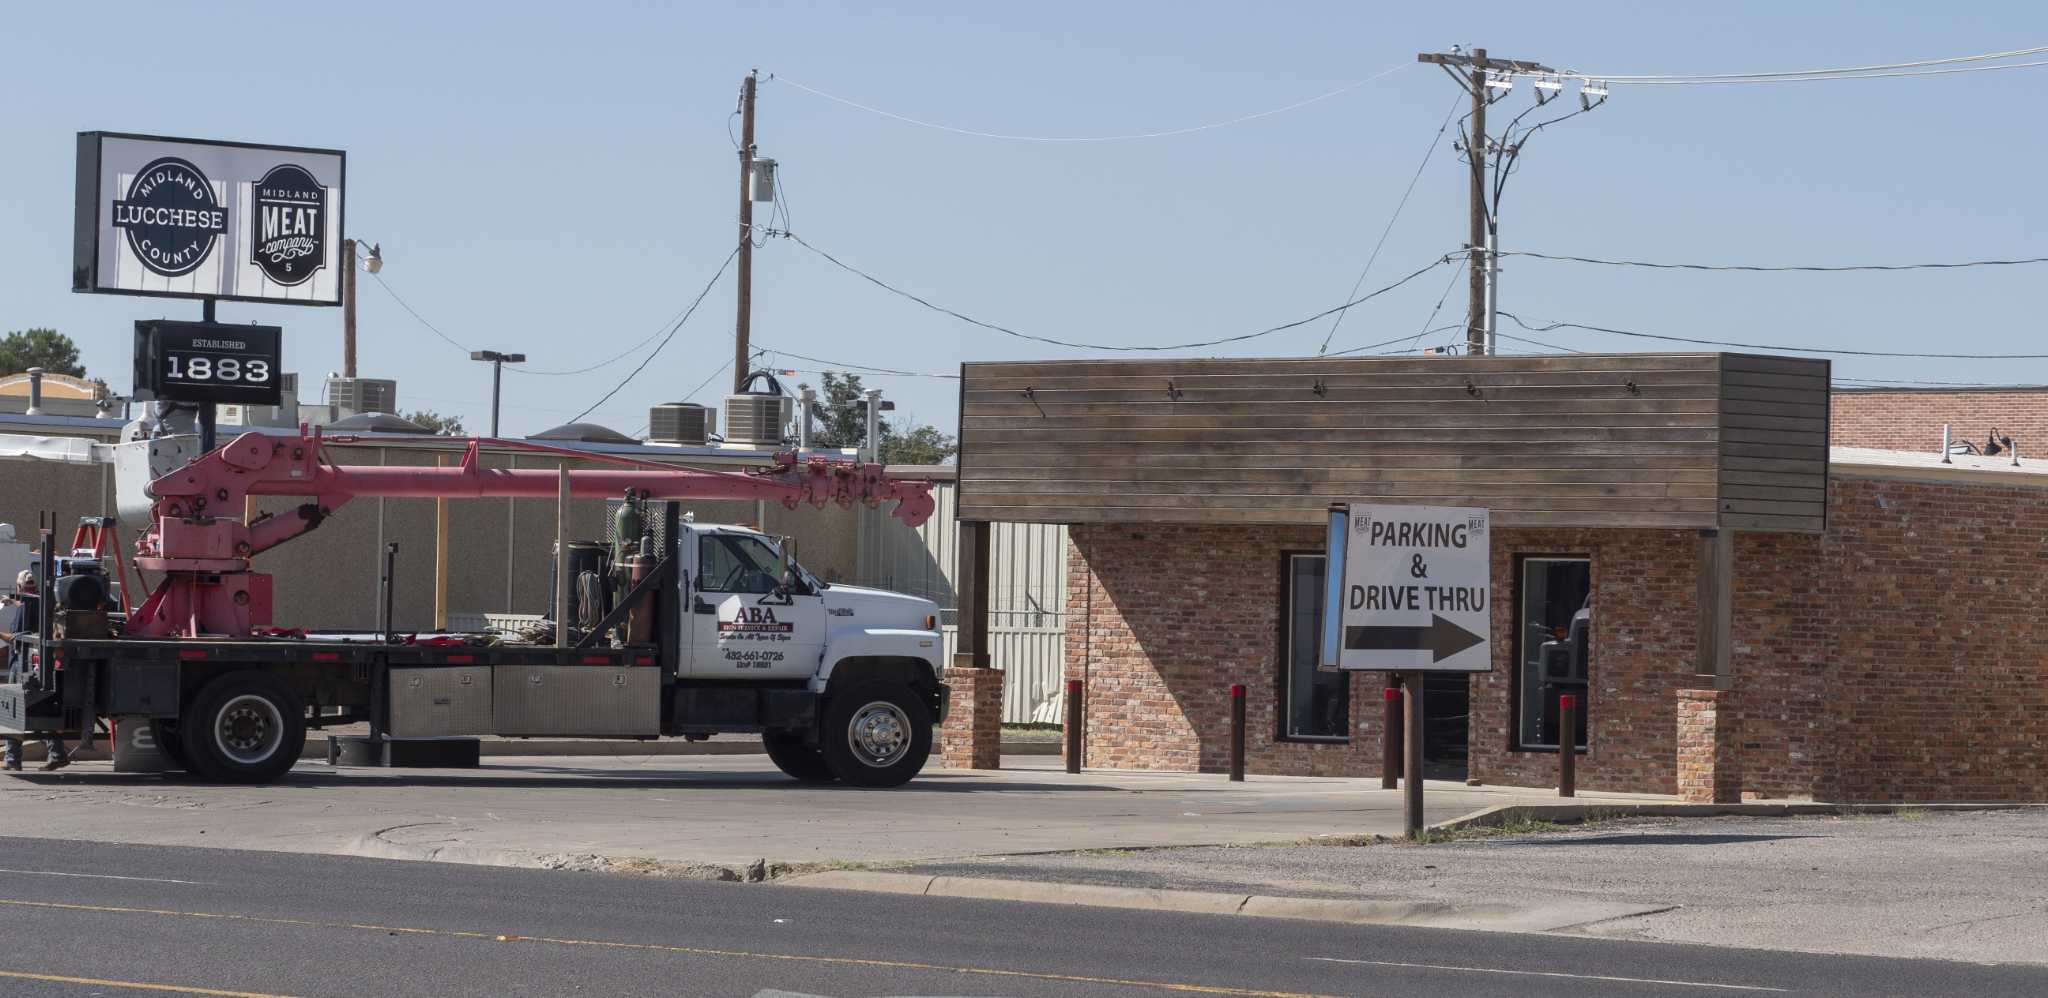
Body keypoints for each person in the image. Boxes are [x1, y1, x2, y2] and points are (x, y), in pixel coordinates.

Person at [1, 570, 68, 772]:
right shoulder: (42, 602)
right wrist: (12, 601)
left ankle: (12, 759)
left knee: (13, 709)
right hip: (42, 664)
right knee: (41, 709)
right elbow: (27, 604)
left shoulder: (25, 608)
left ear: (20, 588)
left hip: (23, 665)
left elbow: (16, 638)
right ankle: (57, 754)